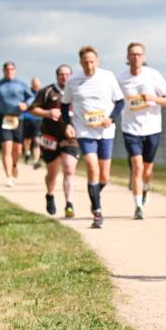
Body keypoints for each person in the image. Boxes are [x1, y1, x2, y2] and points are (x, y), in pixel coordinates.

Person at [62, 46, 124, 229]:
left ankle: (95, 194)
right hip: (84, 131)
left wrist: (111, 118)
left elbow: (120, 102)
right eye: (85, 62)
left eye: (92, 62)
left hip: (105, 131)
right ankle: (97, 212)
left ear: (97, 61)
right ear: (80, 63)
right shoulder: (73, 80)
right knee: (91, 165)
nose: (89, 66)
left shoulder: (108, 77)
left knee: (104, 176)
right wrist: (68, 124)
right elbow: (64, 105)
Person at [118, 42, 166, 219]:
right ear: (127, 57)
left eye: (139, 54)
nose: (136, 57)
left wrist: (152, 98)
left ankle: (145, 187)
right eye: (132, 54)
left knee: (147, 170)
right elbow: (114, 100)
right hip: (130, 128)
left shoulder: (153, 75)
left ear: (143, 57)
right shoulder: (121, 78)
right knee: (137, 166)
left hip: (152, 128)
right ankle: (138, 207)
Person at [31, 65, 79, 218]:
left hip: (71, 138)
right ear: (57, 76)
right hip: (49, 138)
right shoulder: (47, 91)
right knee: (52, 173)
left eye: (67, 74)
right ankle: (50, 195)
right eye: (61, 74)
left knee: (69, 169)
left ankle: (69, 204)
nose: (65, 77)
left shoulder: (77, 91)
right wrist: (48, 112)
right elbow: (33, 109)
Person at [0, 61, 35, 187]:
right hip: (3, 118)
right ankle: (9, 177)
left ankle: (14, 164)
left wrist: (26, 104)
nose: (9, 71)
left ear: (15, 70)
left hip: (18, 118)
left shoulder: (21, 84)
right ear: (3, 71)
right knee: (6, 148)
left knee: (18, 149)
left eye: (11, 69)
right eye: (7, 69)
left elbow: (31, 97)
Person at [22, 76, 43, 169]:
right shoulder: (26, 93)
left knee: (37, 140)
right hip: (26, 119)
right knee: (27, 139)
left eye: (37, 85)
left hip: (38, 120)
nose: (36, 86)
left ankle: (35, 161)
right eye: (34, 84)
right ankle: (27, 152)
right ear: (32, 84)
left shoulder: (42, 93)